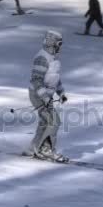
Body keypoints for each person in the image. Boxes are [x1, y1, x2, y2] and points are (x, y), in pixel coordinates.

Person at [25, 30, 69, 162]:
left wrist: (61, 92)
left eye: (61, 44)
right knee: (53, 121)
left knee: (46, 121)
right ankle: (45, 150)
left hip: (45, 96)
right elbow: (36, 80)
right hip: (38, 95)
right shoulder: (42, 58)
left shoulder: (52, 58)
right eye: (59, 43)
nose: (60, 46)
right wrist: (44, 97)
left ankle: (34, 147)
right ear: (52, 42)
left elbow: (55, 79)